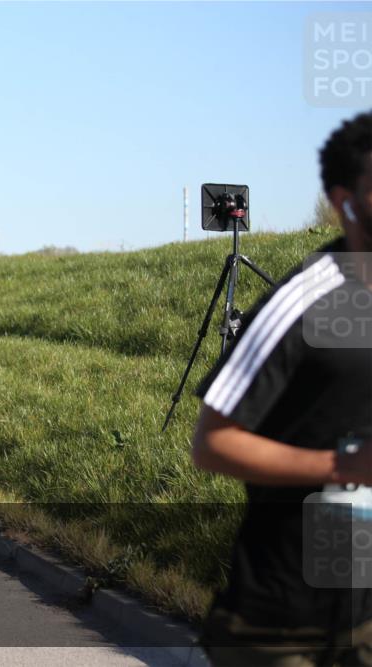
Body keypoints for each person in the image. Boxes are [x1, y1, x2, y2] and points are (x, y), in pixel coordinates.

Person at [191, 111, 372, 666]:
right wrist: (343, 468)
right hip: (284, 623)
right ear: (345, 199)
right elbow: (212, 443)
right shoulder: (307, 299)